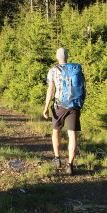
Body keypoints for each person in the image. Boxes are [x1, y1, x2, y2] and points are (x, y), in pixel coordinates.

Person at [43, 47, 86, 175]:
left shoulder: (53, 71)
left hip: (59, 105)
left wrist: (46, 107)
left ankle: (57, 159)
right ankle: (70, 165)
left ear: (57, 57)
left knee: (56, 131)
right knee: (72, 134)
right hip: (74, 105)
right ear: (67, 56)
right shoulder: (75, 69)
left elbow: (50, 90)